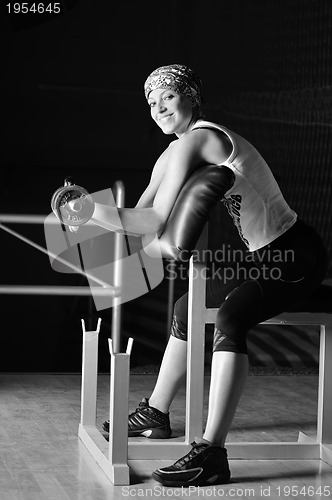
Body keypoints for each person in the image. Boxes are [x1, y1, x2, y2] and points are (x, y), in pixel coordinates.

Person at [92, 64, 328, 487]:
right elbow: (141, 216)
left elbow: (155, 219)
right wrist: (88, 214)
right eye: (151, 101)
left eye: (168, 95)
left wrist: (90, 212)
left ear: (191, 97)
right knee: (188, 307)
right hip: (262, 256)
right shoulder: (173, 152)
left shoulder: (201, 137)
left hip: (296, 254)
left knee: (230, 318)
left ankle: (212, 453)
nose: (159, 106)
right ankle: (156, 414)